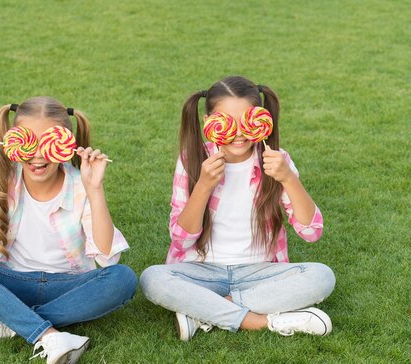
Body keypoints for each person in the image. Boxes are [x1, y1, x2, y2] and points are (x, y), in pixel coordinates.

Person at [0, 96, 136, 364]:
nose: (37, 155)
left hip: (69, 284)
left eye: (48, 142)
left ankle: (10, 321)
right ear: (14, 140)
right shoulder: (1, 179)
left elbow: (107, 256)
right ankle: (49, 335)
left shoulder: (79, 184)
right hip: (13, 283)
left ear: (65, 143)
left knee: (123, 279)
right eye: (28, 141)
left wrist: (95, 189)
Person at [140, 76, 335, 341]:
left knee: (321, 276)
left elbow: (312, 232)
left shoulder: (277, 160)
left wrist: (288, 178)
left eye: (246, 121)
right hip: (201, 270)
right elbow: (181, 238)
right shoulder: (193, 159)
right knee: (152, 279)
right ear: (210, 123)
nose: (239, 133)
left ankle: (203, 311)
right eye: (227, 123)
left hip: (259, 272)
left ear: (260, 119)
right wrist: (204, 185)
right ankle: (262, 321)